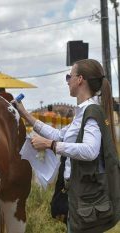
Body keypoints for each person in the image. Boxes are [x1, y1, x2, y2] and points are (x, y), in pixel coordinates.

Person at [14, 59, 120, 233]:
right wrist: (25, 114)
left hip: (85, 196)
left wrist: (50, 145)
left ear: (79, 80)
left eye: (68, 76)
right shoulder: (84, 112)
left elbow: (90, 150)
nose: (67, 81)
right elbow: (60, 135)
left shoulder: (91, 112)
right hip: (79, 194)